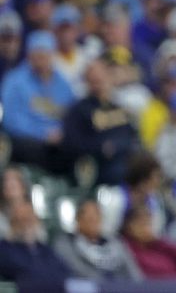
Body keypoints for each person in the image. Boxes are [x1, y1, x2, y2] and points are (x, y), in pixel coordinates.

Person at [0, 30, 76, 170]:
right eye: (37, 54)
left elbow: (72, 115)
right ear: (29, 55)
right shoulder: (15, 80)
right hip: (26, 143)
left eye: (45, 54)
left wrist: (61, 133)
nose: (41, 59)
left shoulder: (63, 84)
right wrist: (43, 134)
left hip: (58, 143)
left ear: (52, 55)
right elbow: (10, 120)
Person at [62, 58, 139, 185]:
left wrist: (117, 146)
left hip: (122, 158)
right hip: (96, 165)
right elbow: (72, 142)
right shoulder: (79, 110)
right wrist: (100, 147)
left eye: (101, 80)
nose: (98, 84)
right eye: (94, 81)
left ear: (109, 78)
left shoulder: (119, 108)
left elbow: (131, 135)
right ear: (87, 81)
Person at [53, 198, 143, 281]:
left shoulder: (116, 244)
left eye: (97, 217)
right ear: (78, 220)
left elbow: (134, 274)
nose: (94, 222)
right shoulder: (66, 245)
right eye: (89, 219)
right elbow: (77, 273)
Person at [0, 199, 71, 287]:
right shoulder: (4, 249)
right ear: (12, 224)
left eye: (29, 220)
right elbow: (20, 270)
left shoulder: (45, 249)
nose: (25, 226)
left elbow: (64, 271)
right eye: (20, 220)